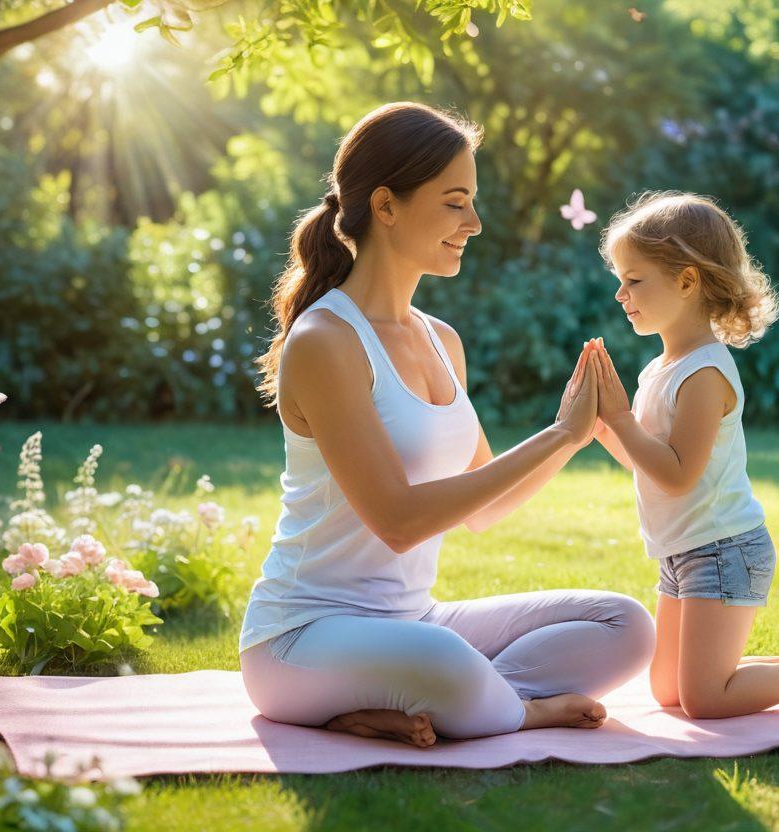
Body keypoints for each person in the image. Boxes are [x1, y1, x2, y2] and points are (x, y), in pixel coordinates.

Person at [238, 102, 655, 748]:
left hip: (414, 621)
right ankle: (515, 708)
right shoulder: (326, 340)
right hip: (301, 638)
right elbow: (399, 520)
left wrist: (571, 437)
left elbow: (484, 504)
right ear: (386, 206)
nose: (475, 223)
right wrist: (557, 435)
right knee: (447, 663)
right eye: (455, 202)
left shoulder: (442, 341)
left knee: (625, 625)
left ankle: (439, 704)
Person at [586, 191, 779, 718]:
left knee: (703, 700)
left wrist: (624, 420)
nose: (621, 294)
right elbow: (650, 467)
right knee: (667, 692)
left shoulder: (704, 374)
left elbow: (678, 476)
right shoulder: (660, 369)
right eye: (619, 280)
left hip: (722, 550)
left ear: (687, 281)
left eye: (634, 279)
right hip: (683, 552)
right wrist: (603, 428)